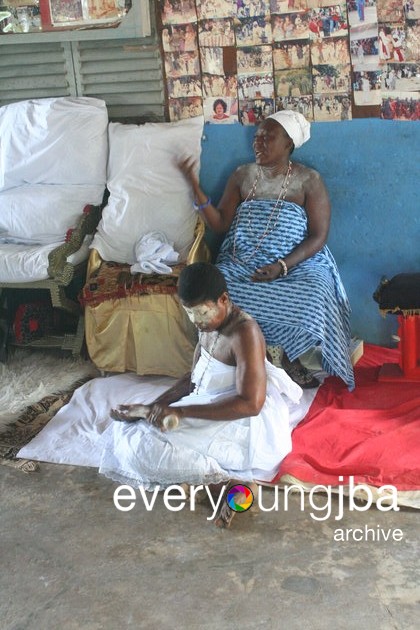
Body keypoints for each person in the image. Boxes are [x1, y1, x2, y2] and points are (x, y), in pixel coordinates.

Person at [101, 263, 302, 528]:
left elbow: (252, 404)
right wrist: (152, 407)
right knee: (125, 433)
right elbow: (194, 378)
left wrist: (182, 412)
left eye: (202, 312)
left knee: (143, 450)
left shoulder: (245, 333)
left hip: (240, 421)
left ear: (224, 300)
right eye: (189, 312)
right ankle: (210, 487)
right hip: (206, 405)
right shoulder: (207, 325)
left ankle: (220, 484)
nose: (196, 320)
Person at [179, 110, 355, 391]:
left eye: (267, 137)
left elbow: (318, 236)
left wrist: (282, 266)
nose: (258, 142)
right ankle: (241, 354)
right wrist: (194, 187)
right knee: (216, 293)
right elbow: (221, 223)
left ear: (288, 144)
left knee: (315, 294)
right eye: (257, 136)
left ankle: (287, 355)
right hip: (241, 262)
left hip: (295, 265)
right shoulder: (242, 176)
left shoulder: (309, 180)